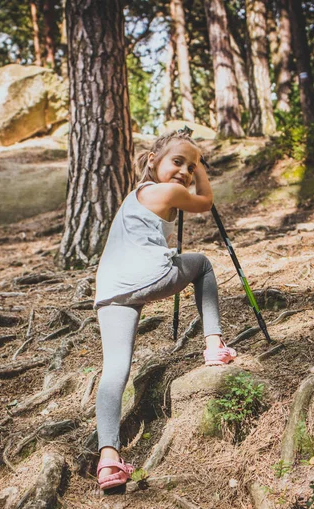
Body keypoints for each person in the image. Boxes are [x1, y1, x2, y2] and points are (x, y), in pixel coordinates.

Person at [93, 130, 236, 490]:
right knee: (201, 263)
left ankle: (108, 459)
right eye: (179, 162)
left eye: (191, 166)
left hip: (112, 290)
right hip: (148, 277)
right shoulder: (166, 192)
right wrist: (203, 166)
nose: (185, 172)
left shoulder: (135, 197)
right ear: (153, 160)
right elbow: (204, 202)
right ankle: (214, 345)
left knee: (115, 369)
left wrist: (191, 160)